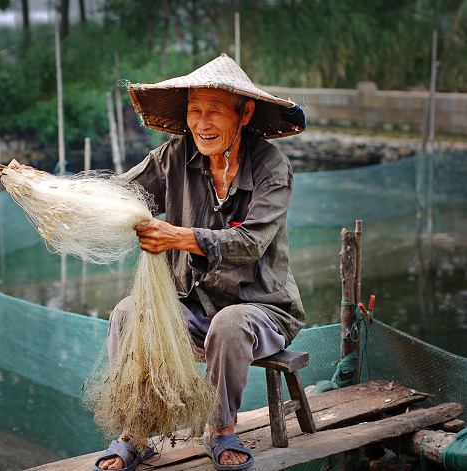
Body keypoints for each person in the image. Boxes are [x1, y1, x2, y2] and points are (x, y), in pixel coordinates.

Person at [93, 53, 307, 471]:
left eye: (214, 112)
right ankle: (134, 434)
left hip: (261, 309)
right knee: (125, 313)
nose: (202, 124)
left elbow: (250, 243)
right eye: (195, 111)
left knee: (229, 325)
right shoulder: (173, 157)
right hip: (191, 307)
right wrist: (42, 186)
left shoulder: (272, 168)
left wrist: (177, 236)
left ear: (244, 114)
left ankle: (222, 430)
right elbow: (120, 194)